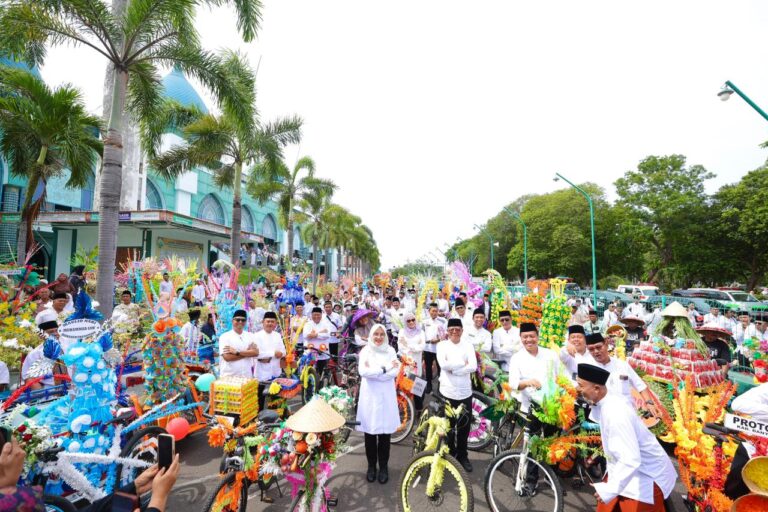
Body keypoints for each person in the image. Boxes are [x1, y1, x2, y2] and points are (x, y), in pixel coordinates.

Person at [576, 363, 677, 512]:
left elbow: (630, 459)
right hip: (624, 473)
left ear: (596, 389)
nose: (578, 390)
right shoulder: (606, 400)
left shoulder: (616, 413)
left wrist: (609, 489)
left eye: (580, 386)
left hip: (646, 478)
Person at [357, 323, 400, 484]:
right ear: (371, 335)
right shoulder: (366, 351)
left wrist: (377, 372)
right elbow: (363, 372)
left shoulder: (390, 351)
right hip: (370, 397)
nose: (379, 337)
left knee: (384, 435)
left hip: (386, 396)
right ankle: (371, 467)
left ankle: (383, 467)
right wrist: (385, 369)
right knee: (369, 433)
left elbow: (395, 372)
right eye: (376, 334)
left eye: (382, 334)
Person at [585, 333, 661, 416]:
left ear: (606, 344)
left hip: (627, 413)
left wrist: (649, 403)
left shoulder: (622, 365)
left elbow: (640, 385)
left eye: (599, 347)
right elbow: (584, 392)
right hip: (602, 416)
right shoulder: (588, 369)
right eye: (591, 349)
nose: (596, 351)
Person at [437, 318, 476, 473]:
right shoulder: (442, 345)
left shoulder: (468, 345)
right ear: (447, 331)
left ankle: (462, 455)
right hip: (447, 391)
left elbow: (473, 366)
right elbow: (443, 365)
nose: (454, 331)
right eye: (451, 329)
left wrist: (456, 369)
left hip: (465, 392)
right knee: (449, 426)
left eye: (457, 329)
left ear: (462, 330)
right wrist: (462, 364)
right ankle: (450, 454)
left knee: (464, 427)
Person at [253, 311, 286, 410]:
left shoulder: (277, 335)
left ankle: (274, 420)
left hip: (275, 373)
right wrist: (273, 353)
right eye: (268, 321)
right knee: (259, 401)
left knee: (275, 401)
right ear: (263, 322)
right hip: (261, 375)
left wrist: (277, 354)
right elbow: (256, 354)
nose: (270, 324)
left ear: (275, 323)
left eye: (272, 322)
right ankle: (258, 421)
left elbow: (283, 351)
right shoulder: (256, 336)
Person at [397, 312, 426, 411]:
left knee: (418, 389)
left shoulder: (420, 332)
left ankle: (419, 409)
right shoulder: (401, 331)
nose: (411, 322)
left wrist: (408, 346)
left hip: (417, 364)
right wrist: (414, 347)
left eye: (413, 319)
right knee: (405, 386)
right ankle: (404, 408)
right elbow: (400, 347)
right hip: (406, 364)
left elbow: (422, 346)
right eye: (408, 320)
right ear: (405, 322)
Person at [218, 309, 259, 377]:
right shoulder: (225, 337)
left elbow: (256, 353)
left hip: (246, 376)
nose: (240, 322)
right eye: (237, 320)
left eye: (243, 320)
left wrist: (237, 352)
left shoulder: (250, 336)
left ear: (245, 322)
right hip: (229, 377)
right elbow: (227, 357)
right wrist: (248, 352)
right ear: (232, 321)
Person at [422, 303, 446, 394]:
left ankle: (440, 386)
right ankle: (429, 385)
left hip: (439, 349)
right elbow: (421, 334)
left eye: (436, 311)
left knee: (440, 368)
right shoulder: (425, 322)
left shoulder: (443, 321)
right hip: (427, 348)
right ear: (429, 311)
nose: (434, 313)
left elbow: (445, 335)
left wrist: (438, 339)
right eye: (433, 311)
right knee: (428, 368)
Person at [303, 307, 330, 379]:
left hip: (322, 351)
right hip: (310, 352)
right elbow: (306, 335)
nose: (316, 317)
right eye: (314, 315)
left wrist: (315, 334)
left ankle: (321, 386)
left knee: (322, 372)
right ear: (311, 315)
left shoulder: (325, 323)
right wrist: (321, 333)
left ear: (321, 315)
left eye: (318, 315)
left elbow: (327, 335)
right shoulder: (307, 324)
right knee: (310, 371)